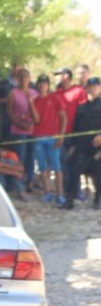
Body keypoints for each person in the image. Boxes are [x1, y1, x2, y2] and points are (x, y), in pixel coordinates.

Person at [63, 77, 101, 210]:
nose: (92, 89)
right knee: (73, 169)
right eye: (90, 86)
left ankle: (98, 199)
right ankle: (69, 200)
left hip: (98, 147)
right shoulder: (81, 108)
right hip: (81, 146)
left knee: (98, 171)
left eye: (96, 86)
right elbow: (75, 128)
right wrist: (72, 145)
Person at [32, 74, 67, 204]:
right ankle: (47, 193)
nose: (42, 85)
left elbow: (63, 117)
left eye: (45, 83)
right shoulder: (34, 101)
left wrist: (61, 135)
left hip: (53, 136)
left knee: (57, 167)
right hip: (38, 137)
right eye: (40, 83)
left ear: (48, 85)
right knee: (42, 167)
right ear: (37, 85)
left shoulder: (55, 98)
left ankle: (60, 194)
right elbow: (35, 120)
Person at [55, 67, 88, 197]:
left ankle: (77, 189)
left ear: (67, 76)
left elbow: (84, 111)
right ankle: (67, 189)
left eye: (59, 74)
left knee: (76, 160)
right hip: (60, 133)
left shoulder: (78, 91)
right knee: (63, 161)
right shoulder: (56, 93)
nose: (57, 77)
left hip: (76, 132)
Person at [6, 68, 40, 190]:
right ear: (17, 79)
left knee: (31, 156)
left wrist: (31, 122)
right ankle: (18, 183)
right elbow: (9, 112)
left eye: (26, 76)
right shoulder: (13, 93)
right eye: (21, 76)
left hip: (32, 129)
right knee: (19, 156)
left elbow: (38, 111)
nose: (23, 79)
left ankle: (29, 181)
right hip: (17, 129)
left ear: (29, 78)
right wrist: (18, 123)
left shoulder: (34, 93)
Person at [0, 63, 22, 142]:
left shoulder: (30, 84)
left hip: (23, 123)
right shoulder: (4, 83)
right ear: (13, 68)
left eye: (21, 65)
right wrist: (6, 100)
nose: (19, 68)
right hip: (6, 121)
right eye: (17, 66)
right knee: (6, 145)